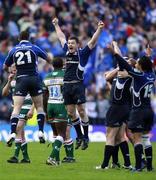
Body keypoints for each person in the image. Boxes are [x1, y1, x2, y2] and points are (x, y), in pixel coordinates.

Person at [52, 17, 104, 150]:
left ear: (77, 45)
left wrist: (99, 29)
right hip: (67, 86)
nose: (69, 45)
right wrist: (56, 25)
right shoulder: (66, 51)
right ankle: (80, 136)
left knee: (81, 111)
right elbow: (61, 36)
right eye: (69, 43)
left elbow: (92, 42)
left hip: (78, 85)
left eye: (72, 43)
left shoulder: (83, 53)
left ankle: (86, 137)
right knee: (70, 113)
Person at [3, 30, 52, 146]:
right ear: (29, 38)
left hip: (21, 79)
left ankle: (12, 133)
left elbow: (5, 66)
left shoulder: (14, 50)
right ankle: (40, 131)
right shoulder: (34, 47)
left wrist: (10, 71)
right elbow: (48, 59)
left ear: (19, 38)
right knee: (40, 107)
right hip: (34, 78)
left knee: (16, 108)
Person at [112, 41, 155, 172]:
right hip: (149, 111)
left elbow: (126, 66)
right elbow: (148, 65)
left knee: (136, 140)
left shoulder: (139, 76)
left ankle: (137, 167)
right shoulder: (151, 75)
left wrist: (116, 54)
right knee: (146, 139)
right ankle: (149, 166)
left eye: (137, 63)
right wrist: (148, 56)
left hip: (138, 111)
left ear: (141, 67)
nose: (135, 64)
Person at [96, 61, 132, 170]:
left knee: (110, 137)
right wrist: (118, 69)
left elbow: (107, 77)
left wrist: (119, 68)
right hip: (124, 109)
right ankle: (126, 163)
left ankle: (104, 165)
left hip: (116, 108)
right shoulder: (121, 77)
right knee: (120, 137)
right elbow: (107, 77)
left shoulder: (126, 76)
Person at [43, 57, 75, 165]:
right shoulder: (65, 76)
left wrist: (45, 111)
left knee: (56, 134)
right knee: (62, 134)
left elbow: (44, 95)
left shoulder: (46, 77)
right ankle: (52, 157)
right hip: (61, 105)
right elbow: (69, 92)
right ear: (62, 64)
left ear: (53, 65)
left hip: (49, 106)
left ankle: (57, 159)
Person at [2, 64, 33, 163]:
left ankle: (15, 156)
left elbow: (35, 96)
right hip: (15, 108)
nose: (13, 72)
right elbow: (4, 93)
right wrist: (9, 81)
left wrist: (32, 109)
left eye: (15, 70)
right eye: (12, 71)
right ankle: (26, 158)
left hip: (26, 107)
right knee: (21, 133)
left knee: (18, 128)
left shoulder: (27, 80)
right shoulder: (12, 82)